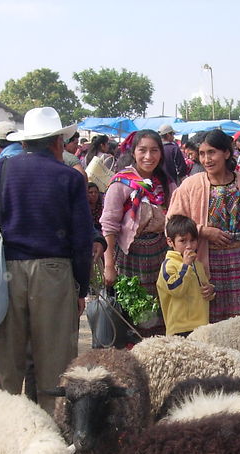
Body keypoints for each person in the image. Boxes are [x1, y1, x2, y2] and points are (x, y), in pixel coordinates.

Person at [0, 107, 93, 415]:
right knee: (55, 366)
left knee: (6, 367)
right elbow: (81, 240)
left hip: (7, 274)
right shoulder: (70, 177)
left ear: (24, 143)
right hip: (54, 273)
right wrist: (80, 288)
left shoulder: (0, 171)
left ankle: (3, 433)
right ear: (56, 143)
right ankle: (50, 434)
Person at [169, 129, 240, 323]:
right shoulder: (190, 186)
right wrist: (202, 231)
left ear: (226, 153)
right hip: (207, 262)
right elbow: (173, 222)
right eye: (202, 154)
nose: (206, 159)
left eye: (212, 152)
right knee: (212, 321)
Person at [101, 129, 175, 335]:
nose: (148, 156)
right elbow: (109, 226)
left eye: (154, 150)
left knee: (161, 315)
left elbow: (177, 215)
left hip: (161, 258)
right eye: (142, 150)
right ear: (133, 152)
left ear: (161, 153)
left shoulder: (166, 182)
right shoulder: (120, 183)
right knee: (135, 316)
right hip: (129, 261)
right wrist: (108, 266)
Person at [156, 214, 214, 336]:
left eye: (193, 240)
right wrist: (185, 266)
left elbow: (203, 289)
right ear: (170, 242)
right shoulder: (169, 265)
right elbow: (176, 289)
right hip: (179, 328)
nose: (189, 246)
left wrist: (210, 290)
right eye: (182, 241)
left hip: (201, 325)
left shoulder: (198, 265)